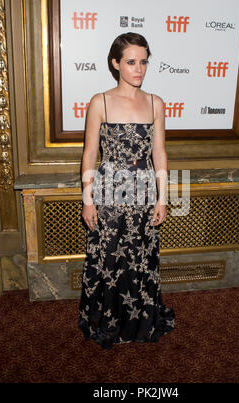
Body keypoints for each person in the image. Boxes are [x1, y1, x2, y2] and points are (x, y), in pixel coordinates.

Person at [78, 32, 175, 349]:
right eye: (131, 62)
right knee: (109, 260)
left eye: (143, 61)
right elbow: (90, 154)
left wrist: (163, 196)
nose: (139, 69)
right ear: (115, 63)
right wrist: (88, 200)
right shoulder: (100, 102)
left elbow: (159, 153)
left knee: (141, 259)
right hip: (108, 193)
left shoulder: (156, 103)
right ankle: (109, 321)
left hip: (144, 191)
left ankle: (140, 322)